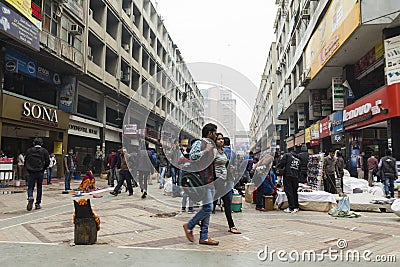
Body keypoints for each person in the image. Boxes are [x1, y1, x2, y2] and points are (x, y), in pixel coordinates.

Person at [183, 123, 219, 246]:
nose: (216, 135)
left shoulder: (211, 145)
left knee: (207, 209)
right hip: (202, 181)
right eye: (215, 132)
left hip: (210, 181)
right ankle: (189, 225)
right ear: (210, 133)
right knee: (208, 208)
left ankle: (204, 237)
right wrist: (206, 151)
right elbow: (192, 156)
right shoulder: (200, 143)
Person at [213, 133, 241, 234]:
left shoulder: (223, 152)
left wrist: (230, 168)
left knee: (224, 202)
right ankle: (231, 226)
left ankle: (231, 226)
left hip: (225, 180)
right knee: (222, 202)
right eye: (218, 139)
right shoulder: (214, 152)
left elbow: (226, 165)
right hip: (218, 180)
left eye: (222, 139)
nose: (221, 141)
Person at [24, 137, 50, 211]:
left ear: (33, 143)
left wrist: (28, 169)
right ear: (41, 144)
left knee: (30, 187)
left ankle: (30, 196)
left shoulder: (29, 150)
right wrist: (43, 168)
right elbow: (47, 161)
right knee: (39, 187)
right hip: (40, 171)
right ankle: (37, 203)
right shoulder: (44, 151)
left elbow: (26, 161)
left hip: (31, 172)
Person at [277, 148, 300, 213]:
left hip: (288, 175)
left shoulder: (287, 155)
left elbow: (282, 163)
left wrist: (277, 168)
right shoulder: (298, 159)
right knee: (294, 192)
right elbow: (299, 169)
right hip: (295, 177)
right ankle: (296, 206)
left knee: (289, 191)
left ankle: (291, 207)